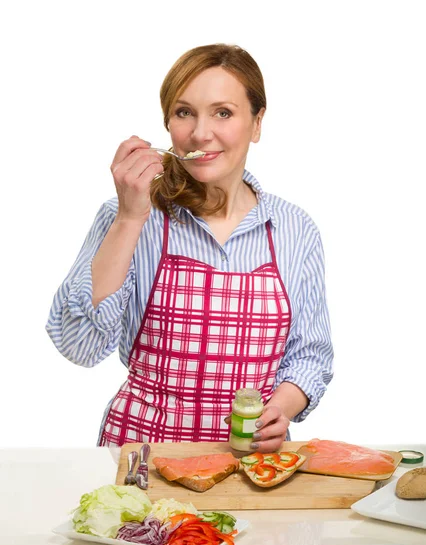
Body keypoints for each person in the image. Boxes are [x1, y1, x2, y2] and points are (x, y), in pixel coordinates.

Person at [46, 44, 333, 452]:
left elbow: (311, 356)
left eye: (223, 112)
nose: (200, 133)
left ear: (257, 122)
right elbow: (79, 345)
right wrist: (130, 218)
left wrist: (280, 410)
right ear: (168, 124)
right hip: (142, 464)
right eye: (184, 112)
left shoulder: (294, 229)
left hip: (249, 464)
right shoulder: (127, 214)